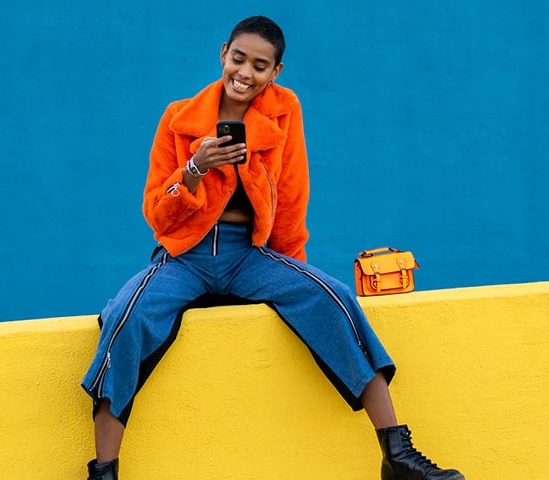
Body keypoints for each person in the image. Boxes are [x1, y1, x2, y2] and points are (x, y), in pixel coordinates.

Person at [79, 16, 463, 480]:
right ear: (223, 53)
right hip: (186, 256)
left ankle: (397, 456)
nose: (245, 72)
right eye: (238, 59)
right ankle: (104, 471)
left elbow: (292, 195)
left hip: (249, 256)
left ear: (275, 72)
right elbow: (157, 215)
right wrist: (195, 170)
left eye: (260, 65)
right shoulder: (179, 119)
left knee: (335, 298)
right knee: (125, 317)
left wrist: (293, 272)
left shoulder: (284, 110)